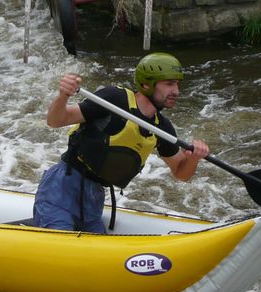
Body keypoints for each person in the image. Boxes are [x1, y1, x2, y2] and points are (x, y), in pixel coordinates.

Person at [33, 52, 209, 233]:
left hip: (93, 199)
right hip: (61, 189)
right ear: (146, 84)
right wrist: (63, 95)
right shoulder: (114, 99)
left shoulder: (161, 127)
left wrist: (193, 158)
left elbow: (181, 172)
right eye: (169, 84)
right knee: (65, 250)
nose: (176, 91)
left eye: (177, 84)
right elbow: (56, 121)